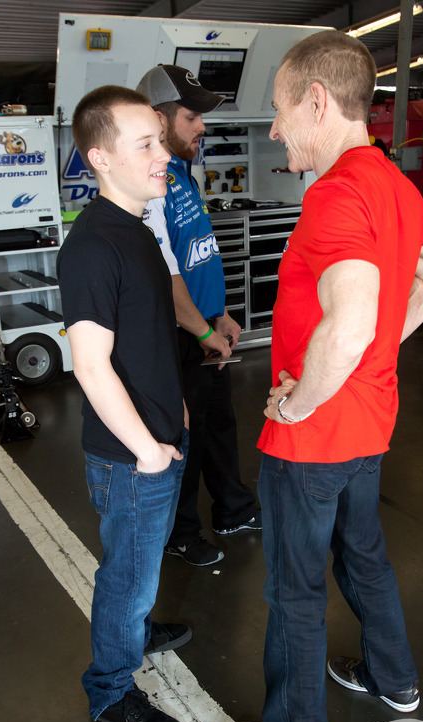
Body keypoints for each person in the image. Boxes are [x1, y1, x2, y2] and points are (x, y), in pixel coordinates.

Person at [228, 30, 423, 722]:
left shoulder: (334, 193)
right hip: (371, 424)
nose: (273, 130)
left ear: (316, 101)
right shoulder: (391, 182)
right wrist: (370, 358)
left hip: (315, 438)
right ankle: (394, 680)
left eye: (278, 111)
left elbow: (352, 319)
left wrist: (300, 404)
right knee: (361, 555)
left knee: (295, 590)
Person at [57, 85, 192, 722]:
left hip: (158, 438)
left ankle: (137, 628)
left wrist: (177, 411)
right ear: (99, 157)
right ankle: (109, 690)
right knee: (126, 577)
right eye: (145, 144)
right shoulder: (92, 247)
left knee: (140, 565)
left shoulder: (135, 230)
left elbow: (145, 340)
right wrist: (145, 449)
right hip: (130, 456)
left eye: (160, 141)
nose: (161, 154)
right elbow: (90, 364)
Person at [137, 64, 261, 567]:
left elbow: (198, 254)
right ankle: (181, 531)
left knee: (219, 425)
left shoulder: (184, 172)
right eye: (192, 116)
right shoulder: (153, 182)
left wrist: (222, 314)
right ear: (158, 118)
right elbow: (165, 277)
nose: (202, 126)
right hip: (181, 333)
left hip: (207, 324)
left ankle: (233, 508)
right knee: (183, 434)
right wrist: (204, 330)